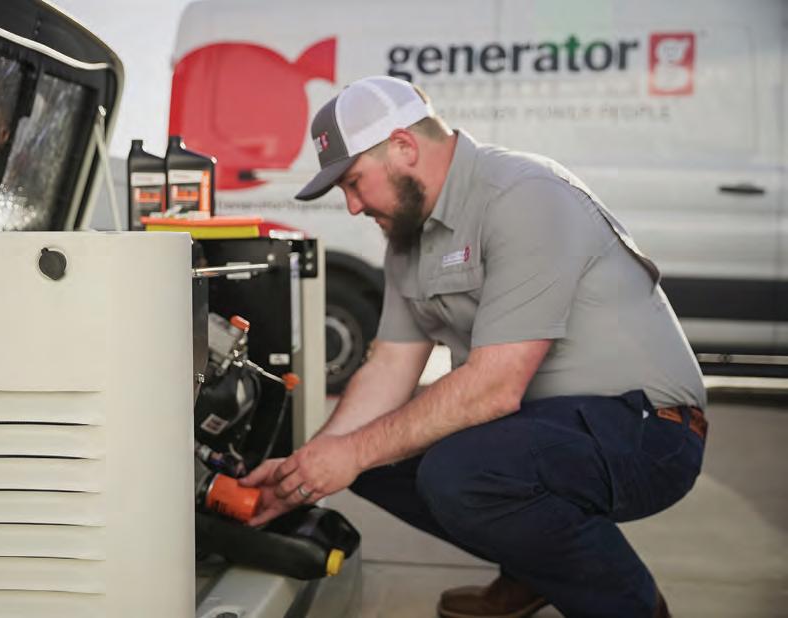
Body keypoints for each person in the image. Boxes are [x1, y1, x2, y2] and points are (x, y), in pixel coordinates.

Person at [240, 75, 707, 618]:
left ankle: (629, 607)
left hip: (648, 430)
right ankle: (537, 568)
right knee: (374, 460)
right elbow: (389, 367)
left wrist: (351, 452)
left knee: (458, 470)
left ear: (404, 147)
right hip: (545, 428)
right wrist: (305, 472)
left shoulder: (523, 195)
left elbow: (494, 387)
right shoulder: (407, 240)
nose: (351, 206)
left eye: (353, 182)